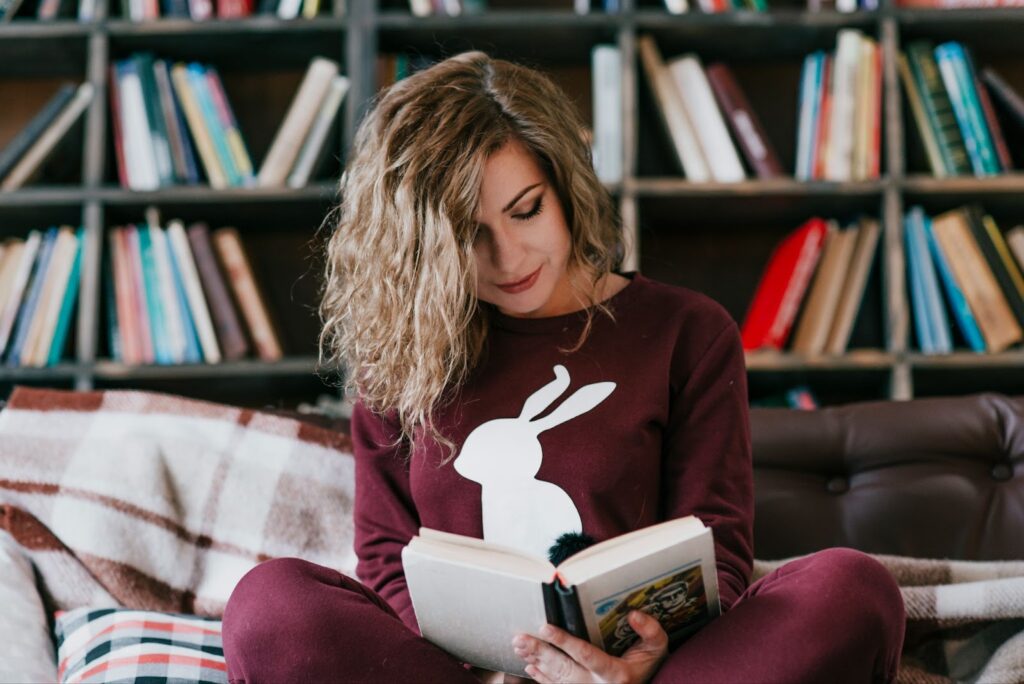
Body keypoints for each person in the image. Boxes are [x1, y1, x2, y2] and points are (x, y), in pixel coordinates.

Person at [221, 51, 906, 683]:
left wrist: (639, 663)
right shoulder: (401, 350)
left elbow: (717, 550)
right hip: (461, 673)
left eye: (527, 211)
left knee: (850, 591)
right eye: (468, 238)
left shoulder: (686, 332)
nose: (510, 259)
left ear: (564, 184)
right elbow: (384, 556)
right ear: (422, 247)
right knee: (268, 607)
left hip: (653, 672)